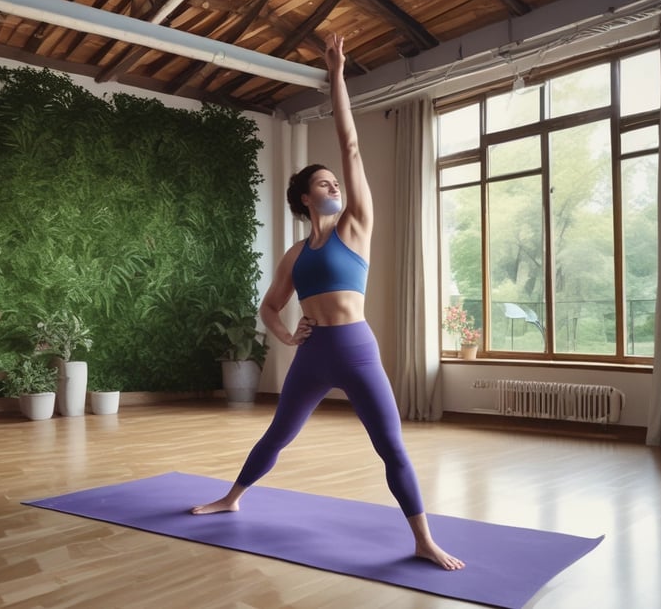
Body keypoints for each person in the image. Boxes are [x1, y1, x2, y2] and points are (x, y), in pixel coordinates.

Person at [191, 33, 464, 572]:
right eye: (324, 182)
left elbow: (351, 144)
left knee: (391, 447)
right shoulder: (295, 254)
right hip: (314, 354)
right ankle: (233, 496)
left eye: (336, 180)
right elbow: (269, 307)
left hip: (357, 349)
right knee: (278, 434)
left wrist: (336, 76)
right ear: (303, 198)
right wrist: (289, 335)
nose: (335, 182)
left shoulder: (356, 227)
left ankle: (422, 539)